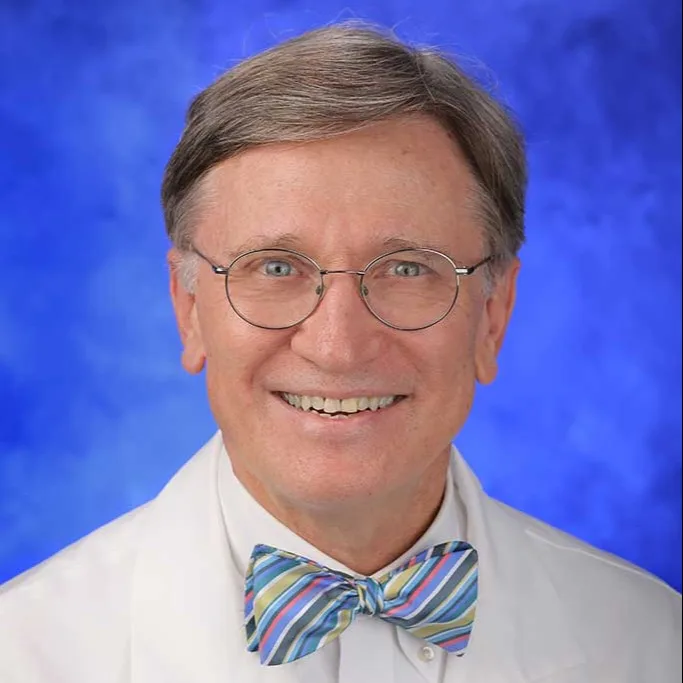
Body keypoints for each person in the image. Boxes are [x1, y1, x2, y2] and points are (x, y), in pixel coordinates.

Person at [0, 21, 680, 683]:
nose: (337, 346)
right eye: (274, 267)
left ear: (492, 317)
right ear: (189, 310)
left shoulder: (652, 643)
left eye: (408, 269)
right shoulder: (23, 653)